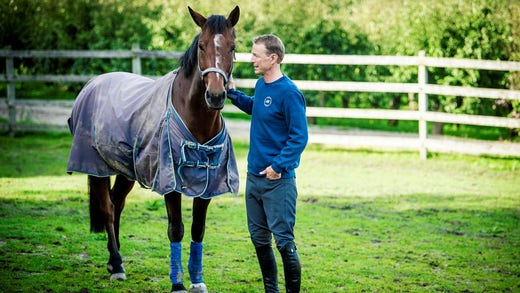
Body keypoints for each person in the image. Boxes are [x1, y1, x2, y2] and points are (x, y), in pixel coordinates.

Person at [227, 34, 308, 293]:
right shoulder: (262, 85)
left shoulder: (290, 93)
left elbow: (299, 137)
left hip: (277, 182)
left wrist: (278, 166)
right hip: (253, 178)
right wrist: (232, 93)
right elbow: (257, 108)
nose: (251, 59)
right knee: (260, 241)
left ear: (272, 58)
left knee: (284, 243)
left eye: (255, 55)